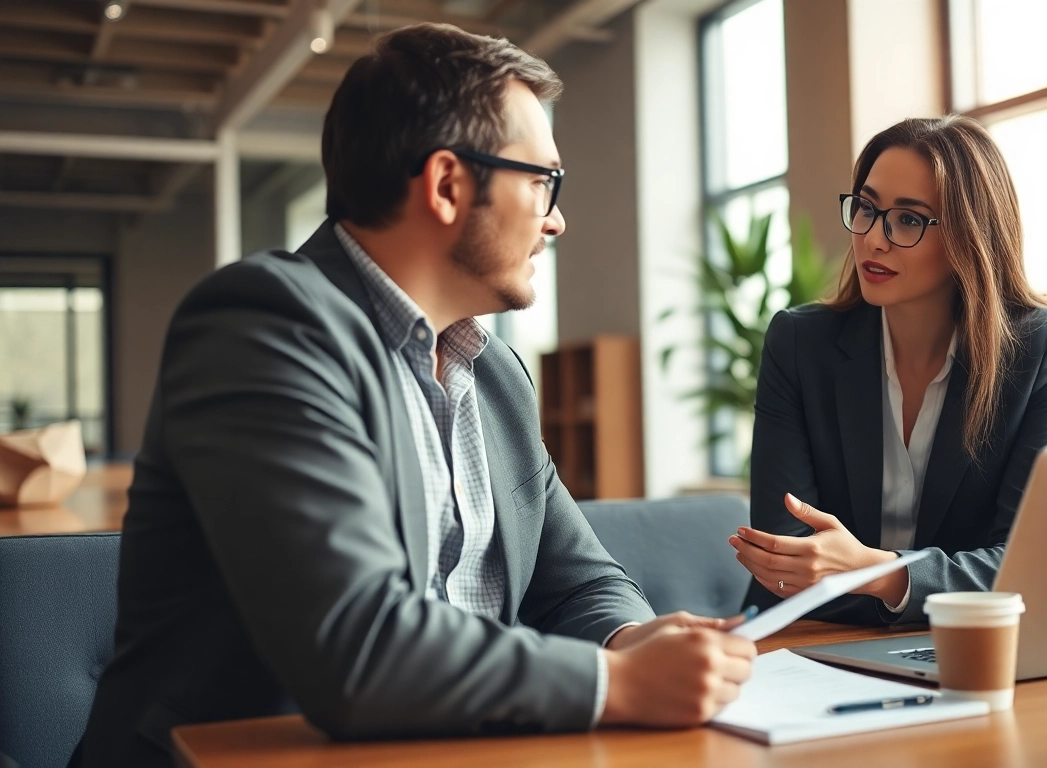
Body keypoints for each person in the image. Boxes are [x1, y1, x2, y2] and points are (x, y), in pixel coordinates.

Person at [77, 24, 754, 768]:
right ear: (446, 184)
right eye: (542, 182)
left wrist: (631, 639)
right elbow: (356, 649)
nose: (556, 218)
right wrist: (613, 683)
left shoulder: (493, 373)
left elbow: (578, 581)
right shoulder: (265, 325)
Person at [732, 115, 1047, 626]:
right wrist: (950, 586)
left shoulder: (1039, 350)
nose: (874, 239)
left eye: (909, 220)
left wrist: (880, 572)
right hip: (807, 639)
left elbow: (1027, 567)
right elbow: (787, 561)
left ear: (970, 237)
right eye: (868, 209)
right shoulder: (799, 345)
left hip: (965, 646)